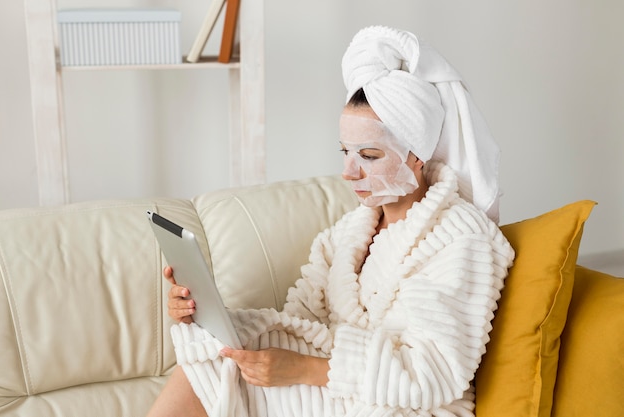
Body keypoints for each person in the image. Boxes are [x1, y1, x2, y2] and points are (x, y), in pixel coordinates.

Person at [147, 25, 515, 417]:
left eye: (369, 156)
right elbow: (299, 322)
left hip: (404, 405)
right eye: (345, 152)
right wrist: (203, 314)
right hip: (339, 387)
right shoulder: (345, 236)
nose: (349, 172)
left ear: (417, 155)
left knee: (215, 369)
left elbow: (431, 373)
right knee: (216, 353)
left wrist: (303, 369)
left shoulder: (462, 240)